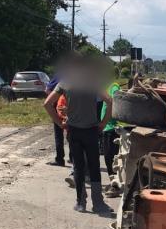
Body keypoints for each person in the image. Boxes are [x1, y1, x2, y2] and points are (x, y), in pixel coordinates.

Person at [44, 50, 113, 214]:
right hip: (91, 130)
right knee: (94, 166)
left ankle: (81, 202)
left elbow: (47, 104)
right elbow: (110, 101)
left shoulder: (65, 82)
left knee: (79, 166)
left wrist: (60, 124)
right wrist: (103, 124)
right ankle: (98, 203)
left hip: (73, 131)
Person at [101, 77, 121, 197]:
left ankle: (115, 186)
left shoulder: (113, 86)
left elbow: (114, 101)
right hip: (108, 128)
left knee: (110, 159)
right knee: (109, 158)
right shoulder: (108, 88)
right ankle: (113, 183)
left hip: (111, 128)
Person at [45, 74, 66, 166]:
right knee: (72, 133)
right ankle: (73, 157)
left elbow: (47, 90)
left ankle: (60, 159)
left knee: (59, 133)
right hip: (72, 107)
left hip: (59, 107)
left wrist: (54, 99)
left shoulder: (59, 76)